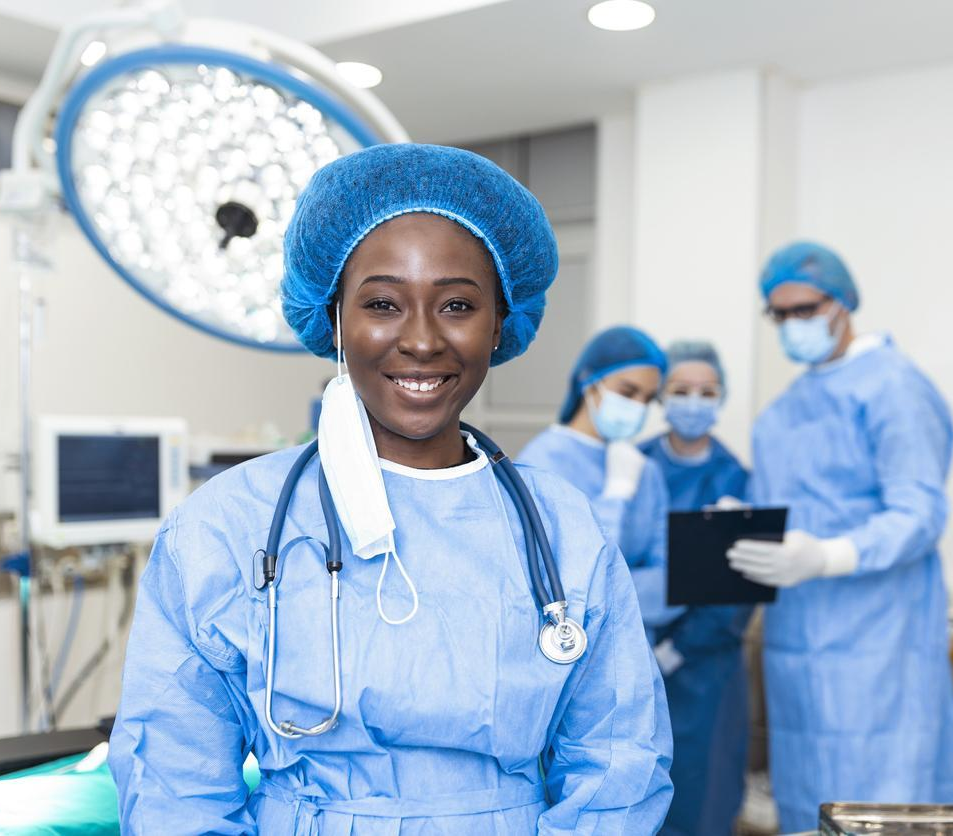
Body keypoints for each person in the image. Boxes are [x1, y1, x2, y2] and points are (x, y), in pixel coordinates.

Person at [109, 144, 673, 834]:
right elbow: (173, 784)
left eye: (457, 304)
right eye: (382, 303)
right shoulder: (226, 527)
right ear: (334, 318)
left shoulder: (560, 529)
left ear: (500, 323)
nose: (423, 341)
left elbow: (620, 768)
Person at [728, 241, 953, 830]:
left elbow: (919, 512)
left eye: (804, 309)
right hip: (797, 646)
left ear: (842, 304)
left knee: (882, 803)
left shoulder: (893, 388)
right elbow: (791, 507)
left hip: (878, 647)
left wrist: (830, 556)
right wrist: (741, 519)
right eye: (779, 315)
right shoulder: (785, 410)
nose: (792, 325)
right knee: (809, 802)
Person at [638, 340, 753, 836]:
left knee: (702, 796)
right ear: (661, 396)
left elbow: (738, 585)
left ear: (722, 397)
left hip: (708, 669)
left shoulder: (735, 479)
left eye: (706, 391)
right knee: (637, 791)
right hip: (632, 654)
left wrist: (680, 648)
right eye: (681, 390)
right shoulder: (636, 467)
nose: (693, 401)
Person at [518, 326, 682, 633]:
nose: (638, 407)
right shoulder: (540, 463)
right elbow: (565, 585)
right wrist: (615, 497)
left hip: (638, 650)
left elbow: (670, 585)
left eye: (647, 399)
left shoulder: (645, 471)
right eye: (627, 392)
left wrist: (611, 585)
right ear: (588, 380)